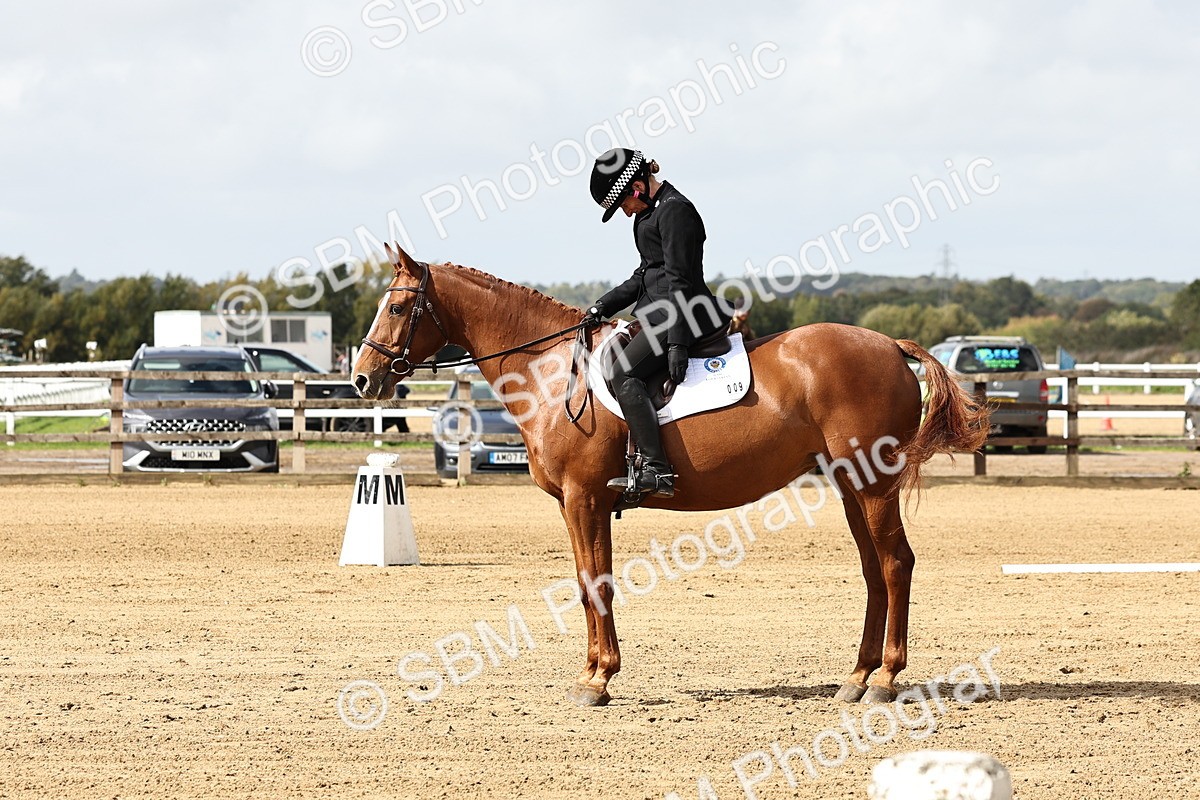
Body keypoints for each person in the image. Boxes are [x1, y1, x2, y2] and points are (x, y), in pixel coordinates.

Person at [583, 148, 730, 498]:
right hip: (661, 311)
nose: (624, 212)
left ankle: (656, 470)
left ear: (637, 187)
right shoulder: (649, 213)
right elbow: (646, 274)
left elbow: (680, 281)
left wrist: (678, 343)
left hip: (686, 311)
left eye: (622, 204)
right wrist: (603, 306)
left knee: (623, 372)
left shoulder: (675, 211)